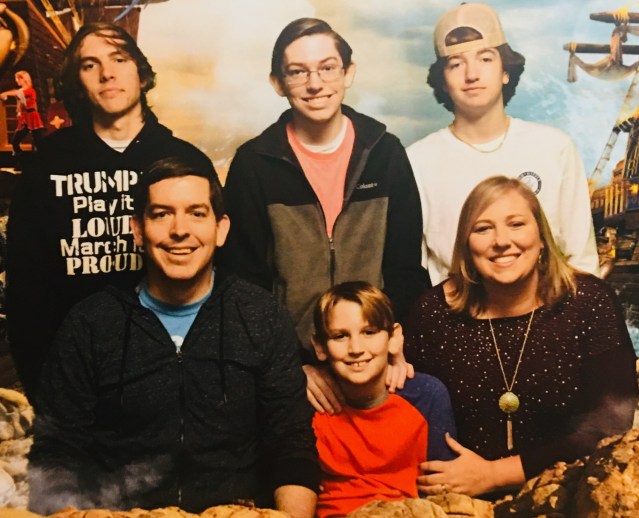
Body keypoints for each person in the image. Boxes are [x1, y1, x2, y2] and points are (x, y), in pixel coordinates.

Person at [28, 156, 319, 516]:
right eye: (161, 214)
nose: (180, 230)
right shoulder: (91, 323)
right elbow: (56, 451)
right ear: (138, 229)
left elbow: (291, 442)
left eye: (196, 213)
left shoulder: (262, 315)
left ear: (221, 229)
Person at [218, 18, 429, 405]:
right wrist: (291, 365)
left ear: (349, 73)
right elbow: (243, 284)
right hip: (291, 369)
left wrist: (390, 345)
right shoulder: (254, 164)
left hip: (374, 362)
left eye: (328, 67)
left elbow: (405, 269)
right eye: (298, 72)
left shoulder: (385, 154)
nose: (315, 84)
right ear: (277, 83)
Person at [6, 22, 215, 401]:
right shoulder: (46, 167)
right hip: (74, 384)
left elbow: (220, 277)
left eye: (119, 59)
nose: (107, 73)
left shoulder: (186, 161)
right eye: (90, 64)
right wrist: (43, 391)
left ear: (142, 74)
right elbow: (25, 291)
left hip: (176, 383)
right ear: (78, 82)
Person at [405, 176, 637, 498]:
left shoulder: (589, 301)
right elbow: (406, 409)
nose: (501, 241)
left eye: (516, 224)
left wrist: (495, 475)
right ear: (466, 246)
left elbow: (609, 426)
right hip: (460, 501)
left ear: (541, 237)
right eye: (483, 229)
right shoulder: (433, 313)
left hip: (567, 495)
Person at [407, 2, 599, 286]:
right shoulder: (417, 161)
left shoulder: (554, 147)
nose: (471, 74)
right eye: (456, 64)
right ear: (443, 81)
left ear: (505, 71)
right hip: (456, 309)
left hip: (549, 307)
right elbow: (414, 270)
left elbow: (582, 259)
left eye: (485, 59)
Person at [311, 281, 455, 517]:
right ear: (320, 346)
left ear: (393, 338)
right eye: (340, 336)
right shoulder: (312, 401)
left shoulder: (426, 395)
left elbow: (443, 488)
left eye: (369, 332)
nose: (356, 348)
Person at [0, 70, 45, 154]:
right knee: (15, 141)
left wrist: (6, 93)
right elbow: (20, 101)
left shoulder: (30, 91)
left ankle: (41, 158)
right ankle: (21, 157)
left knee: (38, 141)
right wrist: (19, 112)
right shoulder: (20, 91)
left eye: (18, 79)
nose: (16, 81)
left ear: (23, 79)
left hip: (32, 117)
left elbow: (19, 94)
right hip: (24, 119)